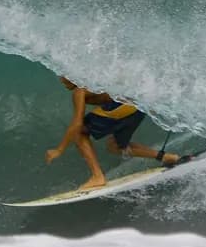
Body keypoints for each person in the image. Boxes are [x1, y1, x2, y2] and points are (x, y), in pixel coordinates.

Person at [45, 76, 193, 190]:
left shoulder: (79, 91)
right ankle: (168, 157)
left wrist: (59, 149)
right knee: (115, 146)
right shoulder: (92, 81)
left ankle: (97, 177)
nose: (61, 80)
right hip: (137, 107)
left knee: (79, 133)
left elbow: (76, 124)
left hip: (120, 107)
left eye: (64, 76)